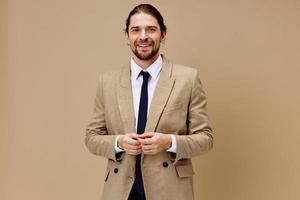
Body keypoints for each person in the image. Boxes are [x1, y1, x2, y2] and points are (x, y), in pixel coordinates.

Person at [85, 4, 213, 200]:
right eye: (135, 30)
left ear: (163, 35)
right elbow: (92, 138)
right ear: (126, 36)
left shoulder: (188, 79)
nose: (143, 36)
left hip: (170, 190)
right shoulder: (107, 82)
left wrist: (169, 142)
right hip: (120, 191)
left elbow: (206, 139)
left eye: (151, 29)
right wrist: (119, 143)